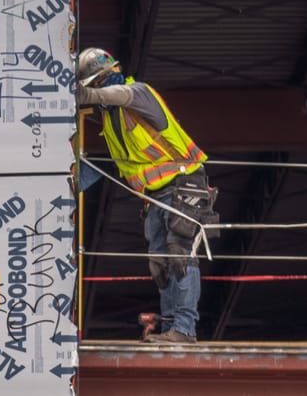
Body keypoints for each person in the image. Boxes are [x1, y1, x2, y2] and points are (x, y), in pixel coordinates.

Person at [77, 47, 215, 345]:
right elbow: (118, 163)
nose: (101, 88)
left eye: (100, 83)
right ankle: (170, 326)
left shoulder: (138, 93)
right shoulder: (112, 121)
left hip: (184, 184)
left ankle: (185, 330)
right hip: (155, 197)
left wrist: (85, 95)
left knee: (180, 256)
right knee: (160, 264)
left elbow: (120, 94)